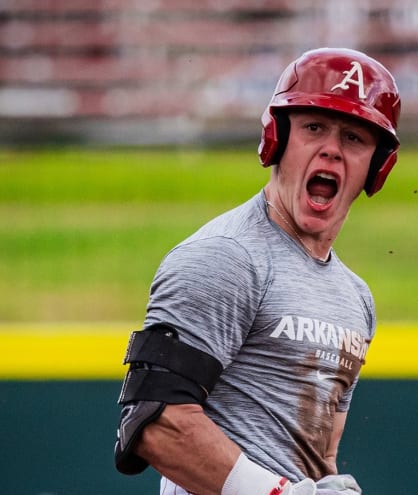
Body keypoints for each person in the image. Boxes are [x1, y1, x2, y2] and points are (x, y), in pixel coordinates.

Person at [114, 47, 401, 495]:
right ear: (276, 140)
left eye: (354, 138)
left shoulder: (356, 299)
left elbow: (316, 453)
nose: (331, 149)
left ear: (377, 167)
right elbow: (155, 422)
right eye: (313, 127)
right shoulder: (225, 256)